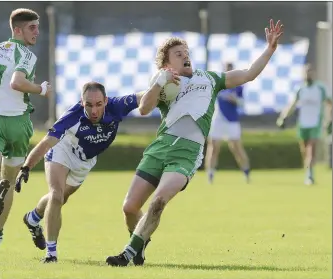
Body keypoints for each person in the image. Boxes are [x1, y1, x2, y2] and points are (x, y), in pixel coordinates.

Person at [106, 19, 284, 266]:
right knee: (129, 208)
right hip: (160, 147)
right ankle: (139, 247)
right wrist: (158, 81)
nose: (185, 56)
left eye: (187, 53)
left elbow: (248, 74)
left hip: (187, 152)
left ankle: (127, 253)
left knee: (158, 201)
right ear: (168, 63)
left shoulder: (210, 79)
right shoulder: (163, 83)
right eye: (179, 54)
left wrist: (270, 50)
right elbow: (145, 109)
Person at [15, 81, 142, 263]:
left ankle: (33, 218)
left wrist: (163, 82)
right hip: (63, 149)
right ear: (82, 102)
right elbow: (47, 142)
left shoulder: (117, 106)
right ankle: (51, 254)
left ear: (106, 101)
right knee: (56, 196)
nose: (94, 111)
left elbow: (142, 96)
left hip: (85, 161)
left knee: (61, 198)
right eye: (89, 105)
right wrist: (26, 167)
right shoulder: (72, 115)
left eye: (99, 104)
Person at [0, 8, 52, 255]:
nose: (37, 32)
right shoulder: (26, 54)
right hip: (17, 123)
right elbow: (16, 82)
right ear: (17, 29)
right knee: (10, 176)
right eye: (32, 28)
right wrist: (41, 89)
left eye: (37, 27)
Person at [277, 64, 332, 185]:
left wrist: (329, 120)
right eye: (307, 72)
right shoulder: (300, 89)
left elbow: (330, 103)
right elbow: (291, 104)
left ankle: (310, 176)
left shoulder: (320, 88)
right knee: (305, 151)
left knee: (311, 150)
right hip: (302, 124)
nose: (309, 74)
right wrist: (283, 117)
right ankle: (308, 171)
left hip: (315, 123)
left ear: (314, 74)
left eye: (311, 72)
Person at [205, 62, 250, 184]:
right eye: (226, 69)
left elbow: (242, 103)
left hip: (232, 120)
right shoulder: (217, 85)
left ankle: (246, 172)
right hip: (218, 119)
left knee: (236, 148)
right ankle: (210, 174)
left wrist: (234, 99)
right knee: (214, 147)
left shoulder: (238, 86)